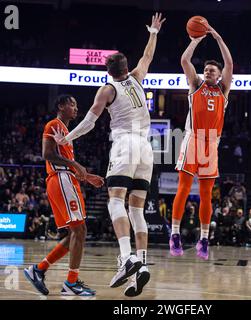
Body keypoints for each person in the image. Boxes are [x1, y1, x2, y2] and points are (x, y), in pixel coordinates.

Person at [50, 13, 166, 297]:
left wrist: (67, 136)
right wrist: (153, 32)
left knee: (116, 200)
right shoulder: (138, 77)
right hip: (147, 148)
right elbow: (148, 56)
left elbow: (89, 121)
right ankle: (141, 264)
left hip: (125, 143)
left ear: (107, 70)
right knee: (136, 209)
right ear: (127, 67)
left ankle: (127, 257)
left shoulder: (108, 89)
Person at [24, 95, 104, 296]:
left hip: (66, 178)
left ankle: (39, 269)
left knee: (76, 233)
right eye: (72, 104)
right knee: (80, 231)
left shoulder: (66, 132)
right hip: (61, 179)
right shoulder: (53, 124)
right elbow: (47, 154)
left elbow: (66, 162)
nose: (76, 108)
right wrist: (75, 165)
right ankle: (71, 282)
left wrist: (87, 176)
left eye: (76, 105)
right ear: (60, 106)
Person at [170, 24, 233, 260]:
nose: (208, 72)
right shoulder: (195, 84)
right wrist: (195, 39)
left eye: (212, 71)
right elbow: (185, 60)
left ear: (218, 75)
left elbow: (230, 64)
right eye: (206, 69)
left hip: (212, 144)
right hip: (193, 139)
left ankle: (204, 238)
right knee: (184, 188)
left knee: (206, 195)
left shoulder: (223, 89)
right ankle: (175, 233)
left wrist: (217, 37)